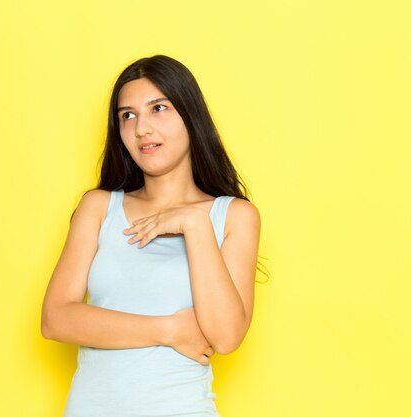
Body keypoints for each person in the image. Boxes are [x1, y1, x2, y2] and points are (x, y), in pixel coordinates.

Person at [41, 55, 261, 417]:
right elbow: (56, 320)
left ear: (191, 117)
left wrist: (195, 225)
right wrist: (169, 329)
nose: (141, 128)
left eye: (158, 108)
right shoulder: (98, 208)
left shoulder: (233, 216)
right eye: (128, 115)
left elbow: (225, 336)